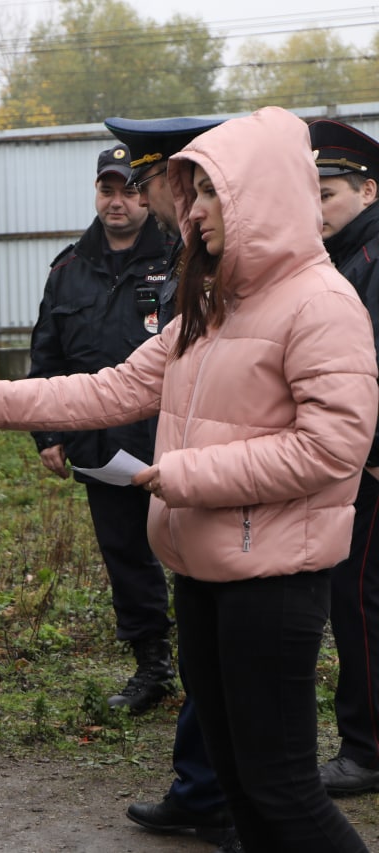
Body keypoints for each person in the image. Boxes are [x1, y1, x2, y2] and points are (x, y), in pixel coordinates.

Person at [0, 107, 377, 852]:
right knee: (237, 784)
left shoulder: (321, 305)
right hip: (202, 572)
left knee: (283, 793)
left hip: (273, 582)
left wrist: (186, 476)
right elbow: (110, 389)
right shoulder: (212, 305)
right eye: (189, 192)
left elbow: (333, 449)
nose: (190, 210)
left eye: (206, 194)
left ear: (257, 195)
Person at [104, 114, 235, 848]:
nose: (159, 204)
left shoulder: (258, 282)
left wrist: (185, 471)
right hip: (191, 514)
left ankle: (226, 801)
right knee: (208, 666)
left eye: (154, 183)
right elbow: (118, 383)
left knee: (247, 701)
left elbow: (318, 441)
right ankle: (203, 791)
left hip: (244, 527)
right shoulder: (200, 274)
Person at [27, 144, 177, 713]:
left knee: (193, 551)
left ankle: (210, 668)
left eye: (132, 190)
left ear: (149, 195)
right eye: (108, 190)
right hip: (101, 445)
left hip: (171, 439)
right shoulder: (68, 270)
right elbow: (46, 357)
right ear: (96, 193)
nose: (119, 202)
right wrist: (48, 434)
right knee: (126, 555)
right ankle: (152, 666)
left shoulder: (181, 260)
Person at [309, 118, 379, 797]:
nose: (316, 210)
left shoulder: (371, 259)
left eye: (326, 194)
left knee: (358, 601)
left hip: (368, 468)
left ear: (369, 189)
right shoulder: (343, 260)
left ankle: (366, 749)